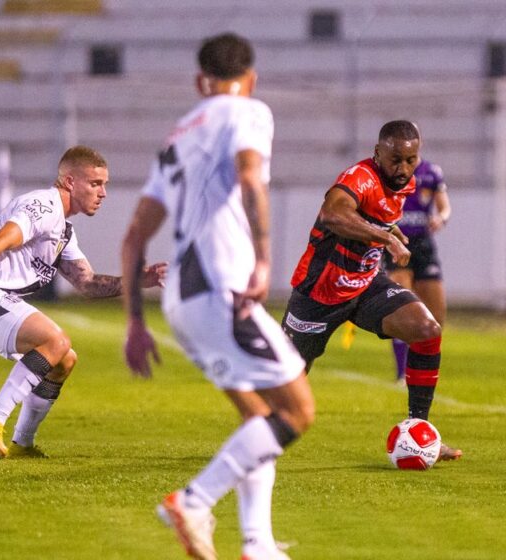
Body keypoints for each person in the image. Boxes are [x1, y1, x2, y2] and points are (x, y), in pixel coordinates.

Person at [121, 33, 314, 560]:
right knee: (297, 411)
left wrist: (134, 324)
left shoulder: (179, 135)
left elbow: (135, 235)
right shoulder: (247, 111)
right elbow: (251, 177)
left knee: (260, 418)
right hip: (221, 290)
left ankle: (257, 544)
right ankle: (193, 500)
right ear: (249, 77)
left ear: (199, 81)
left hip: (181, 302)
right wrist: (267, 256)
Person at [0, 145, 167, 458]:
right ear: (71, 182)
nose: (103, 193)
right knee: (55, 340)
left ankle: (23, 444)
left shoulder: (63, 229)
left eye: (105, 185)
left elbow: (86, 284)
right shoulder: (42, 206)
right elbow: (3, 239)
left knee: (64, 359)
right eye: (95, 183)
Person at [281, 120, 462, 461]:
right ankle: (252, 448)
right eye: (395, 159)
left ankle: (420, 434)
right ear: (377, 154)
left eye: (411, 160)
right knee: (283, 390)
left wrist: (388, 228)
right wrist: (386, 237)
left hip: (365, 285)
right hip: (319, 294)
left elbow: (376, 214)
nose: (404, 168)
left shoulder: (405, 184)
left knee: (426, 330)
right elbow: (333, 214)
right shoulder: (359, 177)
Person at [383, 158, 451, 382]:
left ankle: (425, 371)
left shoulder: (431, 171)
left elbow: (444, 207)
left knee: (437, 315)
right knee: (403, 306)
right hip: (397, 242)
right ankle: (403, 373)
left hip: (423, 245)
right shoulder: (390, 169)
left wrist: (440, 218)